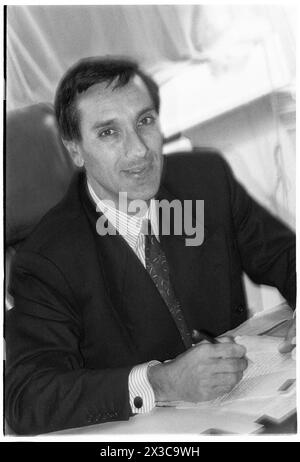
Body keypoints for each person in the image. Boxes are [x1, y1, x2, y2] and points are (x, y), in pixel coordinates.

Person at [5, 56, 296, 435]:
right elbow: (28, 399)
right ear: (75, 151)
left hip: (256, 409)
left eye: (144, 121)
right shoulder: (46, 260)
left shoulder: (204, 182)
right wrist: (159, 382)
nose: (140, 150)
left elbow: (286, 256)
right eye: (109, 133)